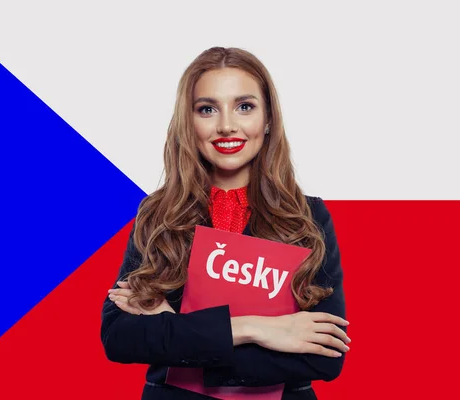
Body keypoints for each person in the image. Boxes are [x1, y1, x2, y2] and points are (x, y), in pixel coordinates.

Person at [101, 47, 350, 400]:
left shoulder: (308, 218)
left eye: (244, 106)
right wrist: (255, 329)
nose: (226, 125)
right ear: (190, 122)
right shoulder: (158, 214)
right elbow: (120, 337)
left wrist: (175, 331)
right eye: (207, 109)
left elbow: (324, 357)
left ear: (267, 120)